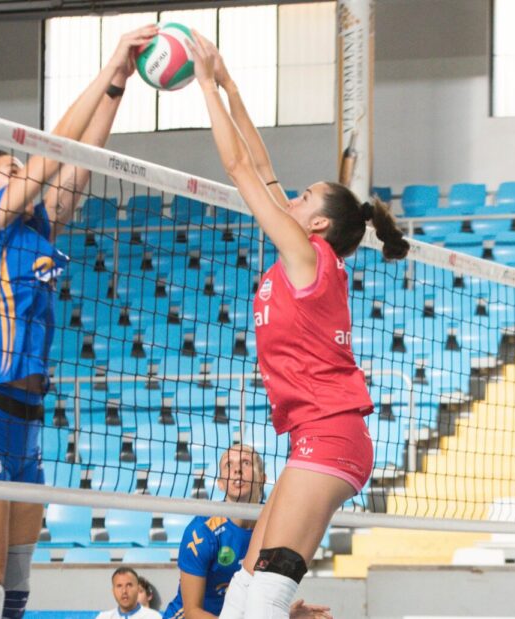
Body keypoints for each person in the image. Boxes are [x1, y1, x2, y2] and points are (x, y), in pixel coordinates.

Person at [0, 24, 159, 619]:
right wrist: (105, 65)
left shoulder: (38, 230)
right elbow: (54, 150)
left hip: (26, 424)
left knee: (17, 588)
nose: (27, 172)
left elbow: (79, 161)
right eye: (12, 167)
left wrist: (118, 88)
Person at [187, 34, 410, 619]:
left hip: (330, 435)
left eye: (304, 194)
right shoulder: (303, 255)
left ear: (317, 223)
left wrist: (201, 83)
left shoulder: (307, 257)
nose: (291, 194)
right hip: (309, 436)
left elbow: (239, 169)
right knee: (242, 589)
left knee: (267, 595)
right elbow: (260, 165)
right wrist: (231, 84)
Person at [163, 446, 330, 619]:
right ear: (220, 484)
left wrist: (286, 614)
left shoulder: (276, 526)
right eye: (229, 465)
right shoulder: (202, 532)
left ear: (262, 478)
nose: (237, 470)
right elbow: (192, 612)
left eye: (246, 462)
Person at [96, 567, 162, 619]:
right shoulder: (103, 617)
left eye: (129, 585)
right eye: (119, 586)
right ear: (113, 591)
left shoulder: (154, 617)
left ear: (137, 589)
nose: (124, 591)